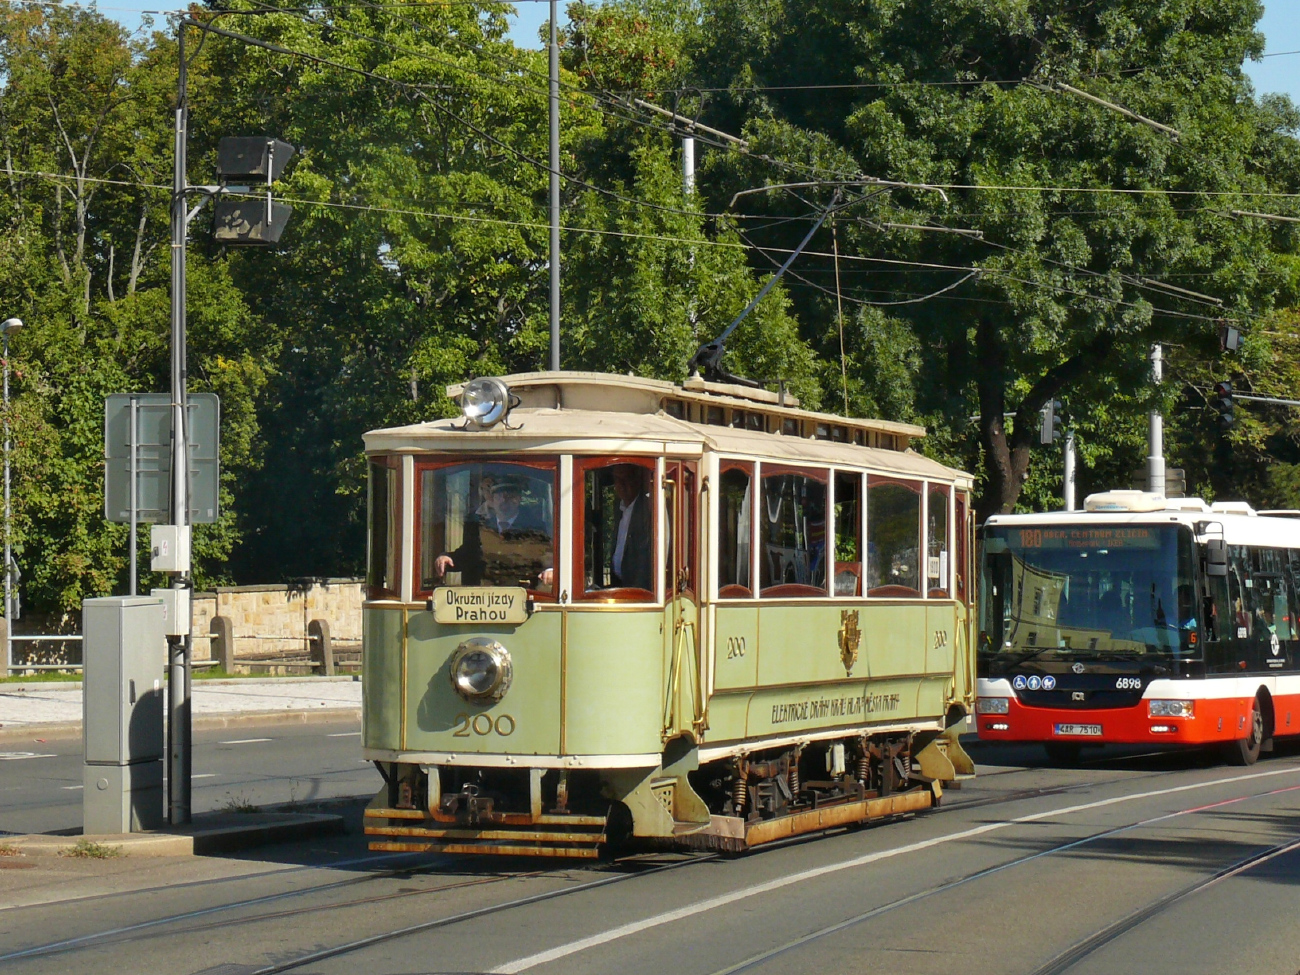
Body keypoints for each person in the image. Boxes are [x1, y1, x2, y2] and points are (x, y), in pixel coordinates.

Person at [435, 475, 552, 588]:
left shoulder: (535, 527)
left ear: (518, 499)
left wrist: (551, 571)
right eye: (500, 495)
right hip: (484, 595)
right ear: (492, 500)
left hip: (522, 594)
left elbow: (545, 557)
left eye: (510, 495)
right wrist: (448, 558)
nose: (504, 500)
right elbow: (468, 555)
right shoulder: (479, 527)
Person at [609, 464, 652, 591]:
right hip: (619, 585)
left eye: (625, 479)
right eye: (617, 479)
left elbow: (647, 558)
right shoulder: (618, 507)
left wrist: (637, 591)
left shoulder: (647, 509)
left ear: (636, 480)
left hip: (637, 591)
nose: (620, 485)